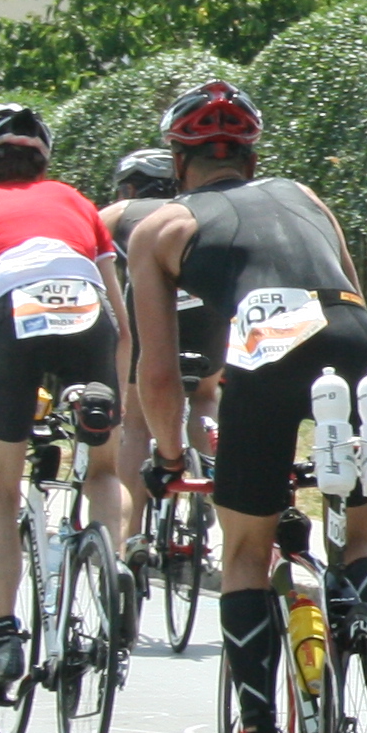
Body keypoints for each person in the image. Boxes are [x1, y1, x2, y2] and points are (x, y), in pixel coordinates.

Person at [124, 81, 367, 733]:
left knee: (246, 552)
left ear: (177, 163)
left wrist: (170, 458)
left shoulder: (160, 228)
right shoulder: (307, 197)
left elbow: (157, 375)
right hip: (356, 344)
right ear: (251, 158)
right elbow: (350, 292)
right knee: (357, 541)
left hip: (267, 352)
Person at [0, 103, 129, 702]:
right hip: (87, 314)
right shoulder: (76, 202)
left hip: (13, 315)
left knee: (1, 488)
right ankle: (113, 573)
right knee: (103, 468)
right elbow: (122, 324)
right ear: (42, 164)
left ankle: (5, 635)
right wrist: (114, 398)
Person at [101, 146, 209, 491]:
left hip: (150, 309)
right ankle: (210, 492)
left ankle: (132, 520)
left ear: (129, 188)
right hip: (206, 309)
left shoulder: (119, 211)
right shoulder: (199, 210)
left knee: (136, 421)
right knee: (206, 395)